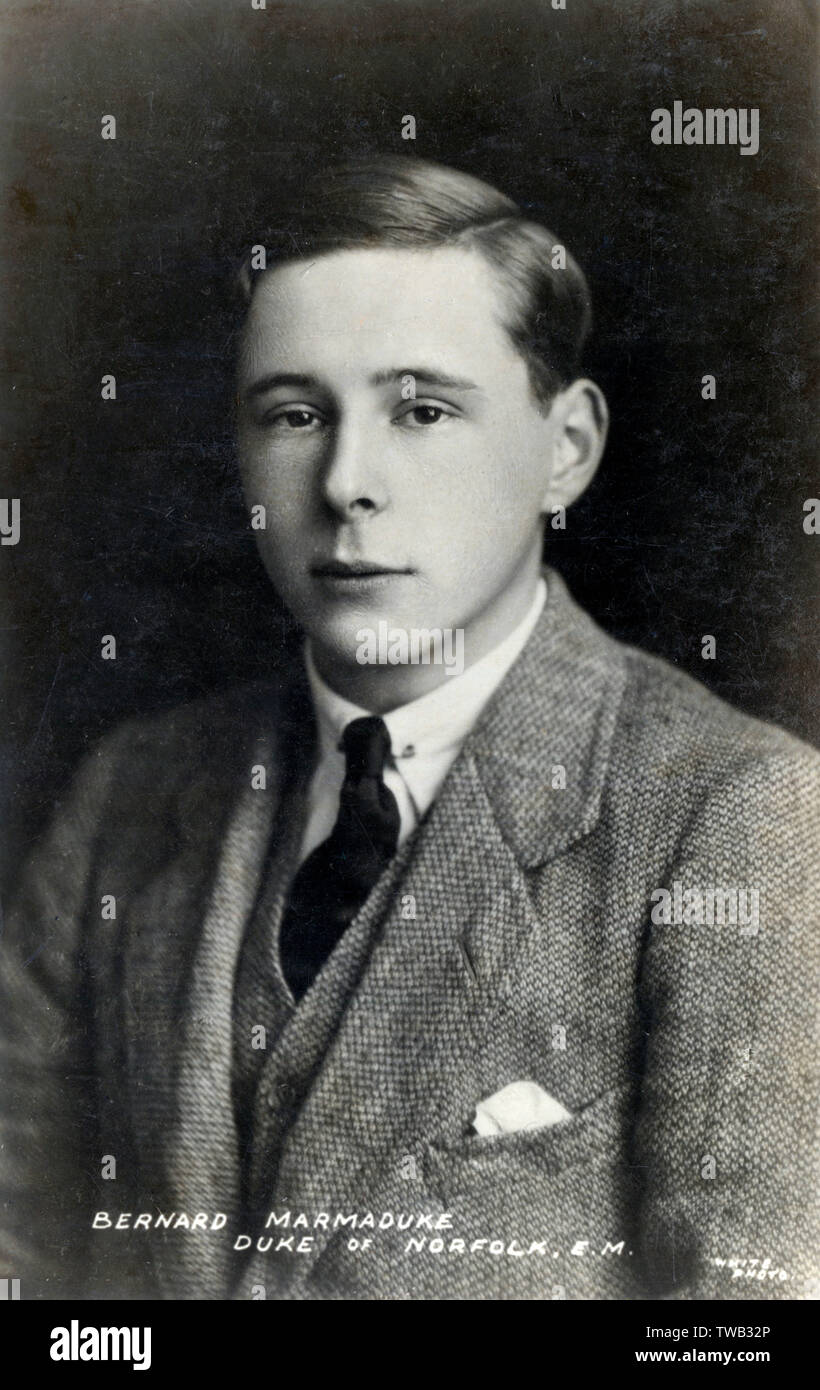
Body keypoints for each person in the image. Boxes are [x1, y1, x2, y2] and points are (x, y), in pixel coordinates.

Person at [1, 156, 817, 1302]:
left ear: (564, 449)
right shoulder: (127, 796)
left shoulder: (738, 817)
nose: (346, 482)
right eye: (294, 414)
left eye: (422, 409)